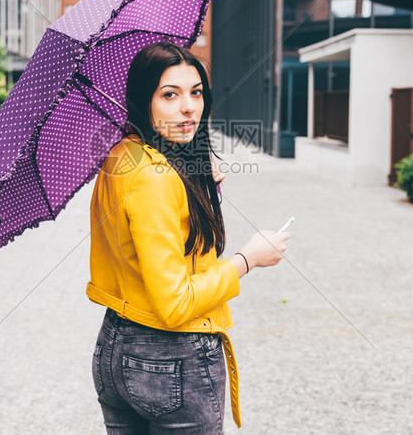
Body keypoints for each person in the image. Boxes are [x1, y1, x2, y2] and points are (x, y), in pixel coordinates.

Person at [86, 41, 291, 433]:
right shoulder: (155, 178)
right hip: (171, 357)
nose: (188, 107)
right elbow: (175, 303)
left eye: (196, 92)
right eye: (170, 94)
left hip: (115, 344)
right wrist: (248, 259)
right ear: (143, 100)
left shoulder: (122, 155)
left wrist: (193, 175)